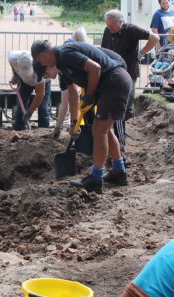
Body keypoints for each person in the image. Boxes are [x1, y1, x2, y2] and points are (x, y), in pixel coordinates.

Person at [31, 39, 131, 194]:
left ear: (43, 55)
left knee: (98, 131)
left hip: (114, 82)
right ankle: (119, 171)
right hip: (108, 85)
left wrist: (90, 95)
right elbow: (73, 93)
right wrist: (75, 120)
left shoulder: (65, 53)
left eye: (40, 61)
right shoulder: (62, 66)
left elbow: (95, 68)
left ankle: (96, 178)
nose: (44, 66)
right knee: (105, 130)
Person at [101, 9, 159, 153]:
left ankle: (125, 135)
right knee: (114, 105)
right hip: (112, 72)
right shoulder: (107, 31)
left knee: (126, 106)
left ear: (121, 23)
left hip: (129, 72)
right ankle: (117, 133)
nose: (110, 29)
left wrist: (142, 52)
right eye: (108, 26)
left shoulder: (131, 29)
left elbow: (154, 38)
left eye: (112, 26)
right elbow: (103, 49)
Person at [51, 27, 88, 139]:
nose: (49, 78)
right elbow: (64, 104)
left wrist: (83, 47)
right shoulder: (62, 76)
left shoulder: (67, 53)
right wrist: (57, 128)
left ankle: (80, 126)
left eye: (47, 74)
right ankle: (77, 127)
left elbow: (80, 30)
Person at [7, 50, 51, 130]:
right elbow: (11, 62)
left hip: (42, 81)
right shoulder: (13, 57)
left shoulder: (39, 69)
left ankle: (43, 129)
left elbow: (40, 94)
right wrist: (16, 75)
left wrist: (29, 112)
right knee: (21, 105)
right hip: (24, 82)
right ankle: (19, 127)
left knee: (43, 107)